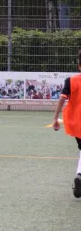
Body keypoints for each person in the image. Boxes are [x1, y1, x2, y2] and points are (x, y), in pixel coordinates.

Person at [51, 48, 81, 198]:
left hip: (76, 122)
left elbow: (62, 99)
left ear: (78, 65)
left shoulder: (71, 80)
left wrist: (55, 118)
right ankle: (79, 174)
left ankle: (79, 175)